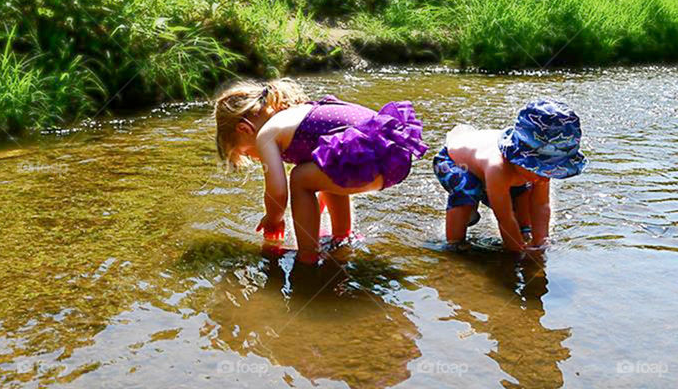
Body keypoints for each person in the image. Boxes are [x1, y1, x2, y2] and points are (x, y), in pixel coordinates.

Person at [214, 78, 427, 263]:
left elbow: (278, 193)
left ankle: (307, 255)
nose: (256, 156)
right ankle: (342, 237)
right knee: (325, 163)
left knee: (298, 178)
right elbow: (337, 163)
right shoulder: (296, 114)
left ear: (245, 129)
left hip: (371, 158)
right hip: (394, 154)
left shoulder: (267, 133)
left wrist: (273, 219)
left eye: (248, 153)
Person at [433, 99, 587, 251]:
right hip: (454, 162)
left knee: (524, 192)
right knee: (467, 189)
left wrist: (540, 241)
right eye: (541, 169)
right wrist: (517, 252)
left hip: (489, 164)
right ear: (521, 159)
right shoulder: (497, 167)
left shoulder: (538, 173)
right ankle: (455, 244)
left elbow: (541, 205)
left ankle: (524, 230)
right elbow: (504, 218)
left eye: (552, 171)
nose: (545, 177)